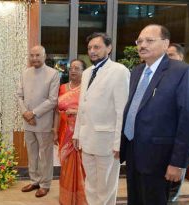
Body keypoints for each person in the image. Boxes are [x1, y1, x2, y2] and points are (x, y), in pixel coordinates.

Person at [120, 24, 189, 205]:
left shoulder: (181, 71)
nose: (142, 45)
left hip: (160, 157)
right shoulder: (137, 71)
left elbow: (187, 118)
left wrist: (178, 162)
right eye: (140, 41)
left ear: (165, 44)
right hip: (133, 150)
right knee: (135, 199)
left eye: (149, 40)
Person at [72, 32, 130, 205]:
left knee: (106, 187)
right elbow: (82, 106)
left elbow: (122, 111)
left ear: (109, 48)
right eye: (89, 48)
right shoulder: (87, 72)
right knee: (90, 184)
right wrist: (77, 134)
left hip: (107, 142)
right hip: (87, 140)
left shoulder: (119, 71)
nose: (92, 51)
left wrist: (119, 143)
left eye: (96, 47)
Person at [16, 45, 60, 198]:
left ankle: (45, 184)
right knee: (32, 153)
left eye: (37, 55)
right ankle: (34, 181)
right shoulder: (25, 73)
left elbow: (53, 100)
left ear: (44, 56)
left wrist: (33, 113)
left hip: (43, 122)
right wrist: (25, 113)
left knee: (45, 155)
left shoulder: (53, 74)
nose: (34, 58)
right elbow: (19, 96)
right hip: (28, 123)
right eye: (32, 55)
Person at [53, 59, 87, 205]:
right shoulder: (62, 88)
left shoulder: (87, 89)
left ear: (83, 71)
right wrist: (54, 130)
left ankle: (81, 198)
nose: (73, 71)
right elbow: (56, 111)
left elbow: (93, 110)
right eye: (71, 68)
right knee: (66, 166)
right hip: (64, 131)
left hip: (81, 132)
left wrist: (74, 111)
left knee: (82, 166)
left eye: (77, 68)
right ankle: (66, 199)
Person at [166, 43, 186, 202]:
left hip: (180, 145)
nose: (168, 59)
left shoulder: (187, 76)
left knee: (172, 192)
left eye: (171, 55)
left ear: (181, 57)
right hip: (161, 148)